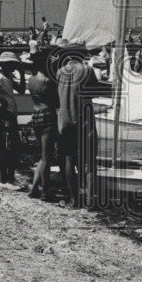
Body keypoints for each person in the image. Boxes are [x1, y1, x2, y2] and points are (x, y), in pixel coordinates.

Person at [55, 46, 97, 208]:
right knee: (90, 161)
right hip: (84, 119)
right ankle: (90, 201)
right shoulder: (87, 70)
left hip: (65, 120)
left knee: (68, 159)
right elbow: (92, 92)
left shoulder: (60, 72)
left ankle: (73, 199)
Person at [26, 50, 60, 201]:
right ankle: (45, 192)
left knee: (42, 156)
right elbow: (56, 102)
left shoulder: (31, 79)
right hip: (47, 115)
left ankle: (34, 188)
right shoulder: (47, 81)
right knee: (47, 157)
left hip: (35, 115)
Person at [0, 51, 22, 189]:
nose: (14, 66)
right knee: (6, 147)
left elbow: (22, 89)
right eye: (12, 64)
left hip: (10, 114)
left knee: (13, 148)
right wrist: (2, 101)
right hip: (4, 114)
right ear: (6, 65)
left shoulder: (8, 77)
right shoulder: (0, 77)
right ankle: (4, 180)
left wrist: (22, 74)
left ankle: (10, 178)